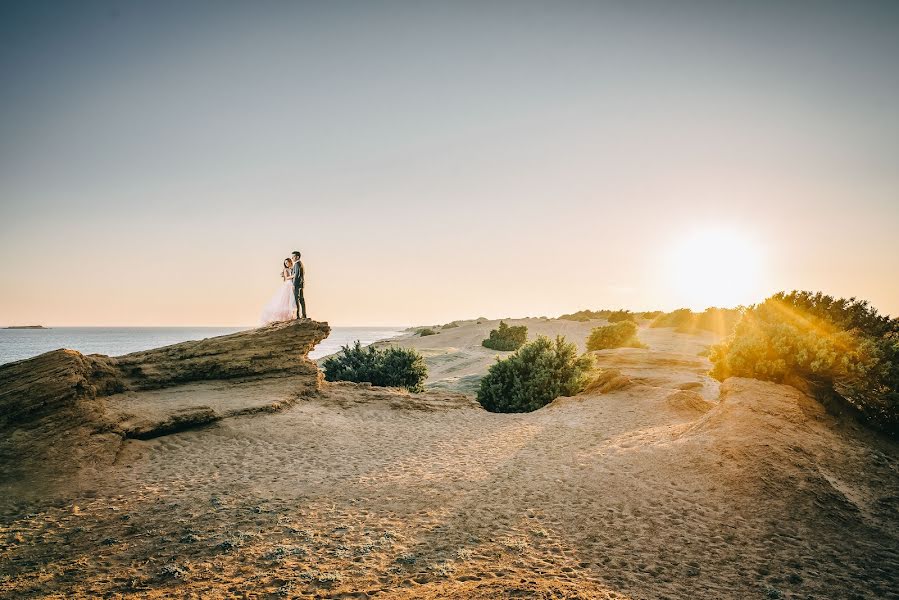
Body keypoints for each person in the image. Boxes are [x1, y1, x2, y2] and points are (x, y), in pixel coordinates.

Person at [259, 257, 298, 324]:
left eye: (287, 262)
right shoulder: (285, 269)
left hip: (291, 284)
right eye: (285, 263)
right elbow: (286, 277)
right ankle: (285, 317)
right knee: (285, 300)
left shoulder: (292, 268)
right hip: (288, 285)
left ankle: (291, 316)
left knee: (291, 301)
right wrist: (293, 276)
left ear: (290, 262)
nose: (286, 264)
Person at [291, 250, 307, 319]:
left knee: (296, 299)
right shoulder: (301, 264)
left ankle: (297, 316)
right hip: (301, 284)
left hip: (297, 285)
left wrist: (294, 285)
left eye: (293, 256)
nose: (292, 258)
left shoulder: (297, 264)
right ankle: (304, 314)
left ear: (297, 257)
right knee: (301, 300)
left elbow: (297, 275)